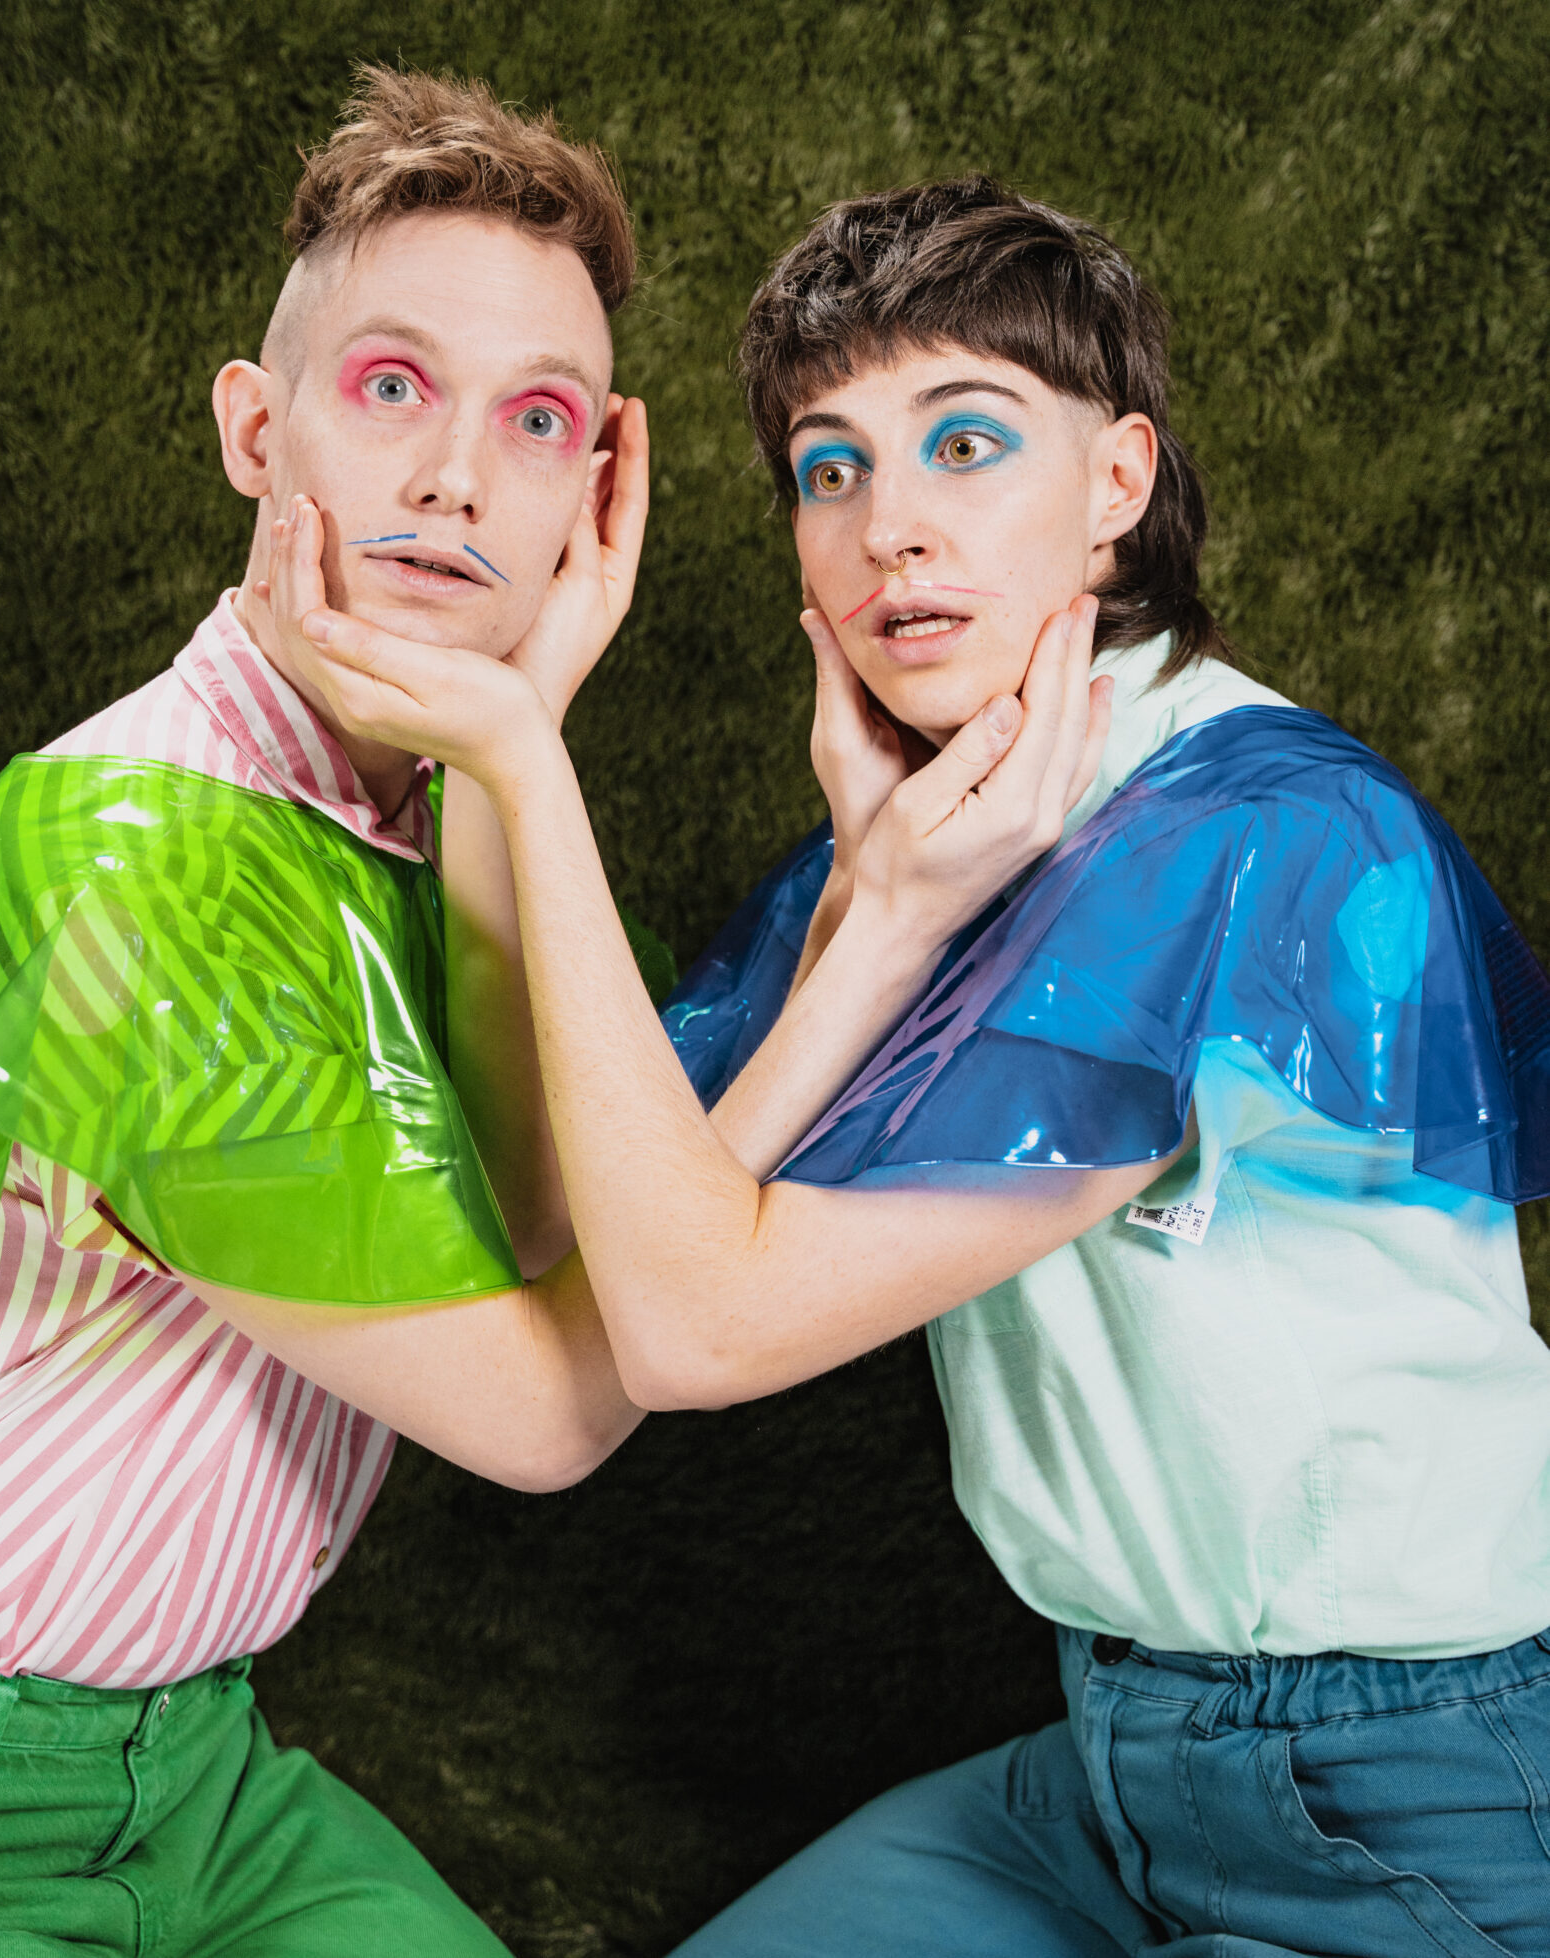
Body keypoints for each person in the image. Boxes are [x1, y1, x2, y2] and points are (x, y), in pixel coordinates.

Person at [289, 176, 1550, 1955]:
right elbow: (582, 1205)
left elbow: (691, 1330)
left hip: (1408, 1785)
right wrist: (533, 727)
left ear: (1116, 486)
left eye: (968, 443)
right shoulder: (925, 827)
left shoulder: (1252, 837)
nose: (892, 529)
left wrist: (519, 762)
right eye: (832, 467)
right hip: (1109, 1761)